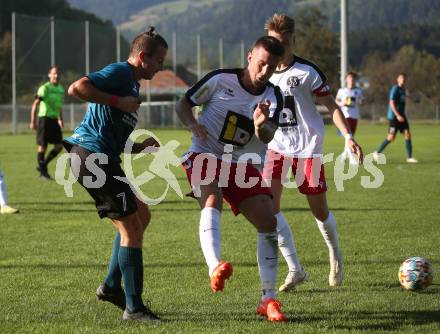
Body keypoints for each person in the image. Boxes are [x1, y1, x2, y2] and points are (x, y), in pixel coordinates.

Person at [176, 36, 287, 322]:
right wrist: (192, 124)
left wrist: (261, 125)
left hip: (241, 164)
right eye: (262, 64)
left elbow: (268, 136)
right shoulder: (219, 79)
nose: (265, 72)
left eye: (272, 68)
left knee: (268, 221)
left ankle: (268, 299)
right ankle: (214, 267)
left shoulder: (274, 96)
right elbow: (183, 104)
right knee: (212, 199)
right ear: (250, 56)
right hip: (205, 153)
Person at [64, 27, 167, 322]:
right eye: (158, 60)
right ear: (143, 56)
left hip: (101, 155)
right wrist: (116, 101)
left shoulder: (132, 85)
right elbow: (77, 87)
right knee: (131, 229)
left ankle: (111, 286)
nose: (161, 67)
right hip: (91, 156)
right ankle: (134, 308)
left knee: (141, 216)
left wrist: (138, 147)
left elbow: (114, 134)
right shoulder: (122, 73)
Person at [262, 14, 363, 292]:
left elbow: (332, 107)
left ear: (293, 41)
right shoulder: (263, 73)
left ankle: (335, 255)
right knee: (269, 209)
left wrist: (349, 137)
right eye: (273, 42)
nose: (278, 47)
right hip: (276, 148)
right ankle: (295, 269)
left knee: (319, 211)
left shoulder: (308, 72)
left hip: (307, 150)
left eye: (283, 42)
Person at [373, 73, 418, 163]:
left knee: (407, 134)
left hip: (402, 116)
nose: (403, 79)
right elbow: (392, 103)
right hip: (394, 117)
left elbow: (406, 97)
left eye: (404, 78)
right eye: (401, 78)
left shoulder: (403, 90)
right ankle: (377, 152)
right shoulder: (395, 89)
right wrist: (397, 115)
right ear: (398, 79)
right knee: (391, 137)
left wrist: (414, 99)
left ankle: (409, 157)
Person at [30, 66, 65, 180]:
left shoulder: (60, 89)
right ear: (49, 75)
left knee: (59, 146)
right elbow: (35, 104)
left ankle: (42, 164)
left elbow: (59, 107)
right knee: (42, 147)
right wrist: (33, 121)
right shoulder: (44, 88)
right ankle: (43, 174)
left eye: (58, 73)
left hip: (54, 120)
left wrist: (60, 119)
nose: (56, 75)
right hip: (44, 119)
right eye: (54, 73)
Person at [336, 71, 364, 164]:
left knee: (350, 137)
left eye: (353, 78)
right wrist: (342, 103)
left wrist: (360, 101)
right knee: (348, 136)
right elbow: (336, 101)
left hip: (354, 115)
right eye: (350, 78)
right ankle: (352, 158)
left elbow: (361, 100)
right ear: (346, 79)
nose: (351, 80)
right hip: (345, 116)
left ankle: (343, 156)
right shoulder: (342, 90)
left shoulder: (358, 91)